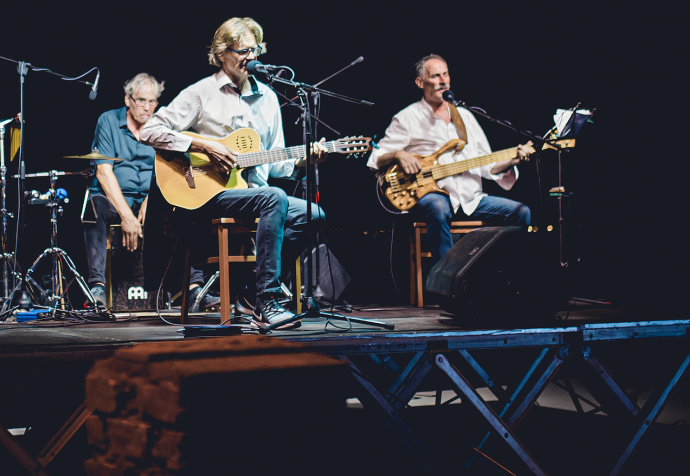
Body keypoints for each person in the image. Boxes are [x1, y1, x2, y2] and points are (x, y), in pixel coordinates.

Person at [139, 17, 327, 330]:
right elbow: (149, 130)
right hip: (211, 195)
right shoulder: (201, 93)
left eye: (254, 50)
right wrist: (203, 145)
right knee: (274, 199)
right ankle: (267, 300)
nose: (249, 57)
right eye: (241, 51)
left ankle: (251, 294)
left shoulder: (268, 98)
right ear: (222, 53)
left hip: (257, 196)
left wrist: (307, 160)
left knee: (313, 214)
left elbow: (277, 163)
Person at [368, 54, 534, 272]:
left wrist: (511, 160)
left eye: (445, 74)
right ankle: (446, 282)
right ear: (420, 82)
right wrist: (399, 154)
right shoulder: (407, 117)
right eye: (435, 76)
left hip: (470, 199)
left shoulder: (465, 117)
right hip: (430, 195)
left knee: (521, 212)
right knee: (438, 206)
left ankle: (507, 275)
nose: (442, 80)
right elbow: (376, 157)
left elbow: (486, 165)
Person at [83, 73, 163, 309]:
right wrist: (127, 216)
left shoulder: (162, 125)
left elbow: (170, 170)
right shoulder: (108, 121)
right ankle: (96, 285)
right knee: (94, 206)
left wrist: (152, 199)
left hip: (149, 200)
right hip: (115, 200)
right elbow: (104, 173)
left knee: (186, 207)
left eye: (152, 102)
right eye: (140, 101)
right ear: (128, 99)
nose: (147, 108)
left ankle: (192, 287)